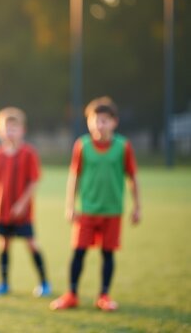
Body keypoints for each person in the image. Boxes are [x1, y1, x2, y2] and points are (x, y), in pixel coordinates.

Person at [50, 96, 141, 311]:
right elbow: (75, 177)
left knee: (107, 253)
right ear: (89, 122)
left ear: (114, 122)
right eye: (95, 120)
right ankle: (71, 294)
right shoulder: (82, 145)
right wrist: (70, 206)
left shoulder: (123, 147)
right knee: (79, 251)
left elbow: (132, 178)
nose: (99, 125)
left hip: (112, 211)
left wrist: (137, 206)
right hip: (87, 211)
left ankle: (104, 296)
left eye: (104, 120)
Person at [0, 107, 51, 298]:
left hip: (23, 213)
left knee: (31, 244)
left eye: (14, 128)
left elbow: (34, 181)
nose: (9, 132)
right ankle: (4, 284)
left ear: (22, 130)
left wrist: (22, 203)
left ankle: (44, 282)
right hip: (3, 210)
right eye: (6, 128)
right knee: (3, 244)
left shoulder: (29, 153)